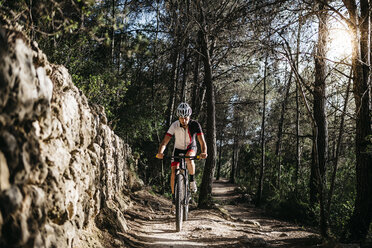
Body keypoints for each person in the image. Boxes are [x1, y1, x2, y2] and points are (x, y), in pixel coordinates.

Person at [156, 102, 207, 204]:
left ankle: (192, 181)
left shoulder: (195, 125)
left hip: (191, 148)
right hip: (178, 149)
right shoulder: (174, 125)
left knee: (188, 158)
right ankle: (174, 197)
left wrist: (204, 152)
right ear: (178, 117)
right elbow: (165, 142)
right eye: (181, 118)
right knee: (174, 171)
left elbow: (202, 142)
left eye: (186, 118)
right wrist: (160, 152)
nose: (184, 120)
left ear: (189, 116)